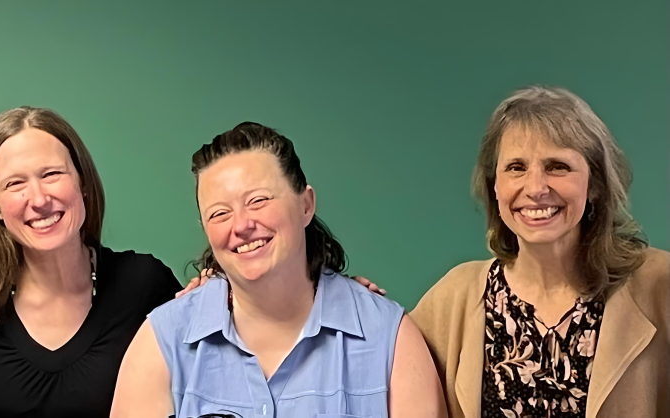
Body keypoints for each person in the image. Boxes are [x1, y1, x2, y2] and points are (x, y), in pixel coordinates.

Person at [111, 122, 447, 417]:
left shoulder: (389, 338)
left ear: (306, 205)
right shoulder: (163, 340)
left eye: (258, 200)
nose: (241, 225)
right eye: (219, 214)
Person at [409, 86, 669, 417]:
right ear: (496, 186)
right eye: (516, 167)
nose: (535, 189)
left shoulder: (658, 283)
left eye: (557, 166)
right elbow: (374, 367)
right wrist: (351, 298)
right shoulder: (454, 296)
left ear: (596, 184)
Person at [0, 107, 183, 417]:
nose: (38, 200)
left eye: (51, 174)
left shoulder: (144, 286)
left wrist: (213, 295)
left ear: (83, 183)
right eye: (15, 184)